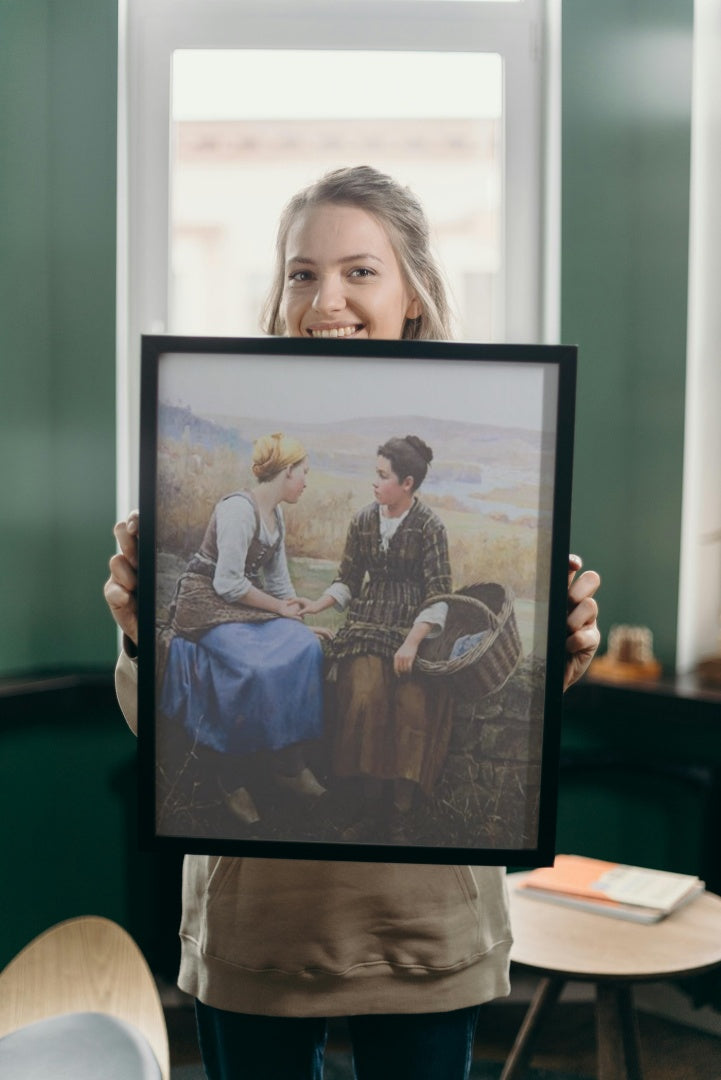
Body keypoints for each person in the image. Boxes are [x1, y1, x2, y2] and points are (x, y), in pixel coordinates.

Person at [105, 165, 601, 1080]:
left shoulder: (483, 444)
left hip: (423, 929)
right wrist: (140, 633)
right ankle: (303, 765)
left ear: (413, 292)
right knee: (337, 666)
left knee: (365, 672)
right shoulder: (261, 501)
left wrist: (566, 652)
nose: (324, 297)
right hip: (258, 927)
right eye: (301, 272)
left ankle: (375, 783)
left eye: (359, 271)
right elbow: (157, 719)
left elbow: (452, 614)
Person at [158, 432, 327, 827]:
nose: (306, 481)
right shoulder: (238, 510)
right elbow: (228, 584)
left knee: (306, 647)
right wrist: (278, 609)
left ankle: (289, 766)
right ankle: (229, 778)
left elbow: (280, 583)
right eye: (304, 473)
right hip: (204, 605)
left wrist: (297, 620)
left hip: (241, 604)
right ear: (287, 472)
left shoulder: (276, 514)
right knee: (253, 668)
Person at [298, 433, 454, 827]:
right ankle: (367, 800)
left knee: (413, 700)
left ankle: (401, 807)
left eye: (384, 476)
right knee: (365, 694)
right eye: (376, 474)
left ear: (408, 484)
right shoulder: (363, 520)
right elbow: (348, 579)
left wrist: (412, 643)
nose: (375, 482)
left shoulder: (430, 527)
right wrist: (318, 604)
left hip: (412, 626)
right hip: (368, 623)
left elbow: (439, 595)